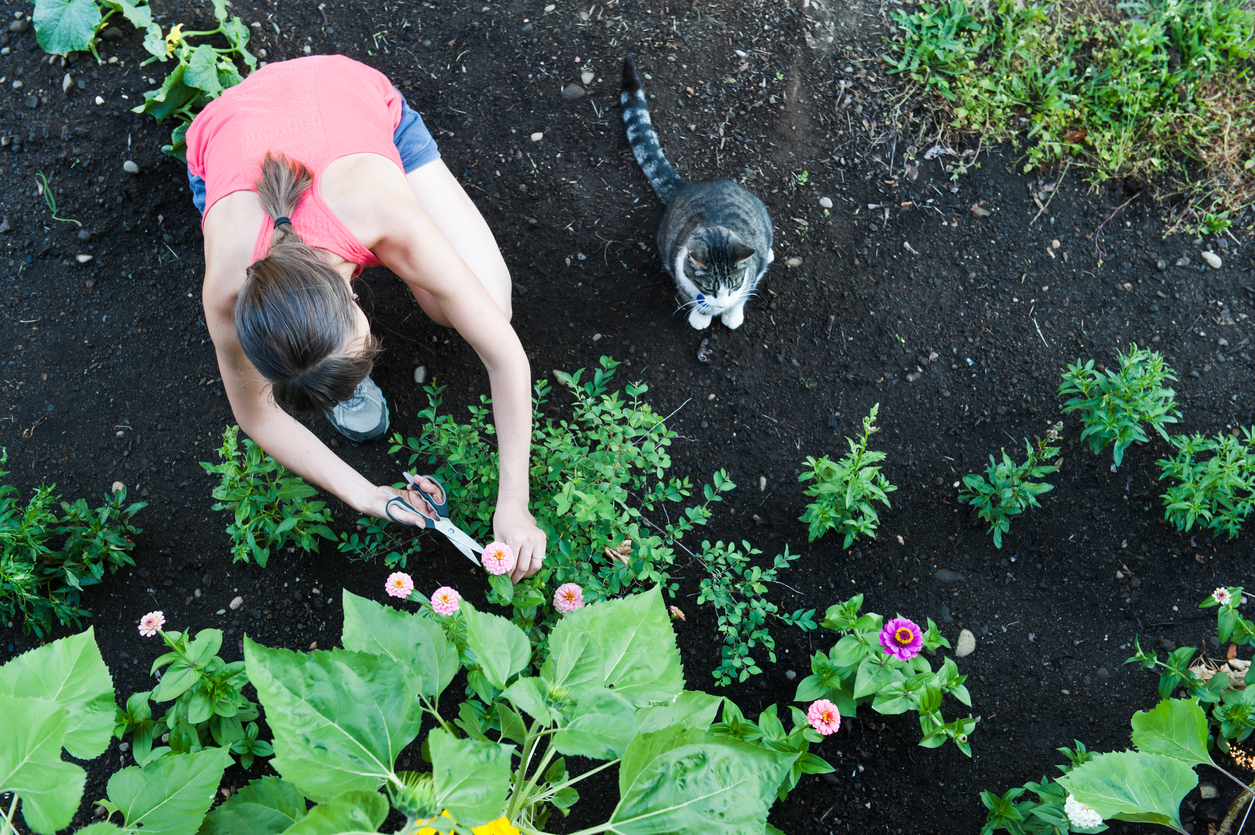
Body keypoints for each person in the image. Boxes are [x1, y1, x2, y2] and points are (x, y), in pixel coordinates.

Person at [186, 54, 544, 581]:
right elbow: (257, 414)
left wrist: (514, 501)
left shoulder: (381, 210)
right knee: (455, 301)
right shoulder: (225, 289)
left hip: (349, 101)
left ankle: (338, 361)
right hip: (226, 142)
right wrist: (366, 494)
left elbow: (505, 353)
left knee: (487, 302)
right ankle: (332, 368)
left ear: (354, 295)